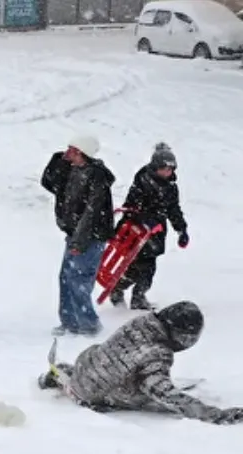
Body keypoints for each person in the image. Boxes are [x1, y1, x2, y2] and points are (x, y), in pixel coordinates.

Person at [39, 301, 243, 424]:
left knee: (117, 363)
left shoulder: (144, 323)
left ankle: (66, 375)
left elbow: (124, 357)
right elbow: (162, 393)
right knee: (149, 396)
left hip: (87, 364)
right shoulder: (158, 353)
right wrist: (212, 414)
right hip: (96, 394)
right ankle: (88, 386)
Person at [39, 134, 115, 337]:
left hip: (90, 236)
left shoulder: (96, 176)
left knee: (78, 279)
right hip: (74, 233)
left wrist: (80, 242)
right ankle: (70, 322)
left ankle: (88, 324)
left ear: (82, 152)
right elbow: (48, 182)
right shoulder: (73, 170)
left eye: (72, 149)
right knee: (66, 277)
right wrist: (57, 160)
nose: (68, 152)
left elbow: (91, 213)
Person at [110, 143, 188, 311]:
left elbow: (173, 209)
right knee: (138, 266)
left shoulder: (171, 187)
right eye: (164, 169)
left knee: (146, 267)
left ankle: (133, 294)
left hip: (155, 233)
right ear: (155, 167)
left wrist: (181, 229)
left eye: (171, 169)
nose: (168, 172)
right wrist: (145, 219)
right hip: (136, 232)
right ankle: (124, 292)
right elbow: (131, 207)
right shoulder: (142, 181)